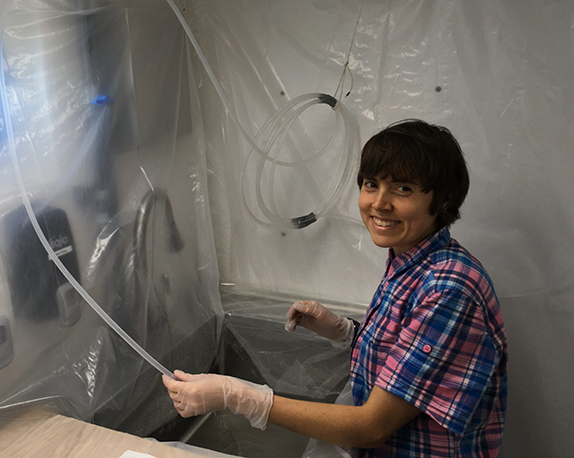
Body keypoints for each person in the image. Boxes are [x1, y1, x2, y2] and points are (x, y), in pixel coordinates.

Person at [162, 119, 507, 457]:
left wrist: (239, 396)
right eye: (371, 184)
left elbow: (372, 427)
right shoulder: (413, 259)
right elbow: (407, 356)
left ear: (443, 200)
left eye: (402, 189)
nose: (379, 203)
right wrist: (346, 331)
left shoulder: (449, 289)